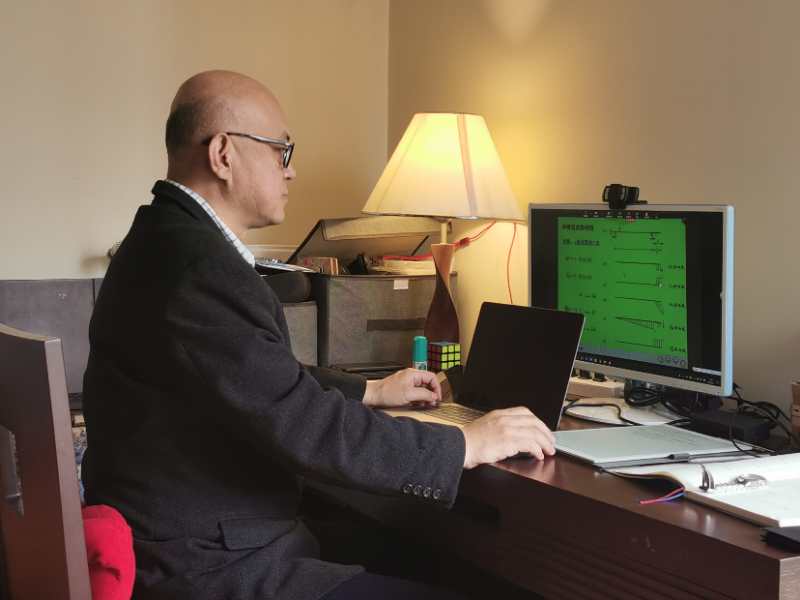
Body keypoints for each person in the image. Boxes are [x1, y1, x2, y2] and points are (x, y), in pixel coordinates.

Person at [81, 70, 556, 600]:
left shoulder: (160, 241)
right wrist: (466, 442)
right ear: (223, 154)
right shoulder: (198, 269)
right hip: (215, 566)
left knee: (444, 561)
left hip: (196, 538)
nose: (291, 170)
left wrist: (371, 390)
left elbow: (254, 375)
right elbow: (305, 426)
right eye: (281, 150)